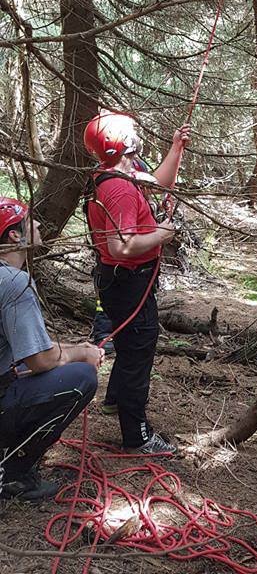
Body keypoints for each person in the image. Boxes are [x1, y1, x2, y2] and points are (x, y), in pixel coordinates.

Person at [83, 111, 190, 455]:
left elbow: (159, 182)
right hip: (128, 282)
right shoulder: (119, 188)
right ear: (119, 140)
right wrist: (163, 234)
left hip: (121, 282)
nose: (136, 134)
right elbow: (122, 245)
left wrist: (175, 147)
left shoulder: (113, 174)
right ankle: (137, 437)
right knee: (138, 353)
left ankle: (115, 400)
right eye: (130, 132)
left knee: (130, 348)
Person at [0, 198, 103, 502]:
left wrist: (74, 347)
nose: (37, 225)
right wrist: (81, 354)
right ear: (14, 236)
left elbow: (26, 352)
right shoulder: (14, 284)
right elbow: (40, 358)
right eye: (30, 221)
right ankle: (14, 474)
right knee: (82, 377)